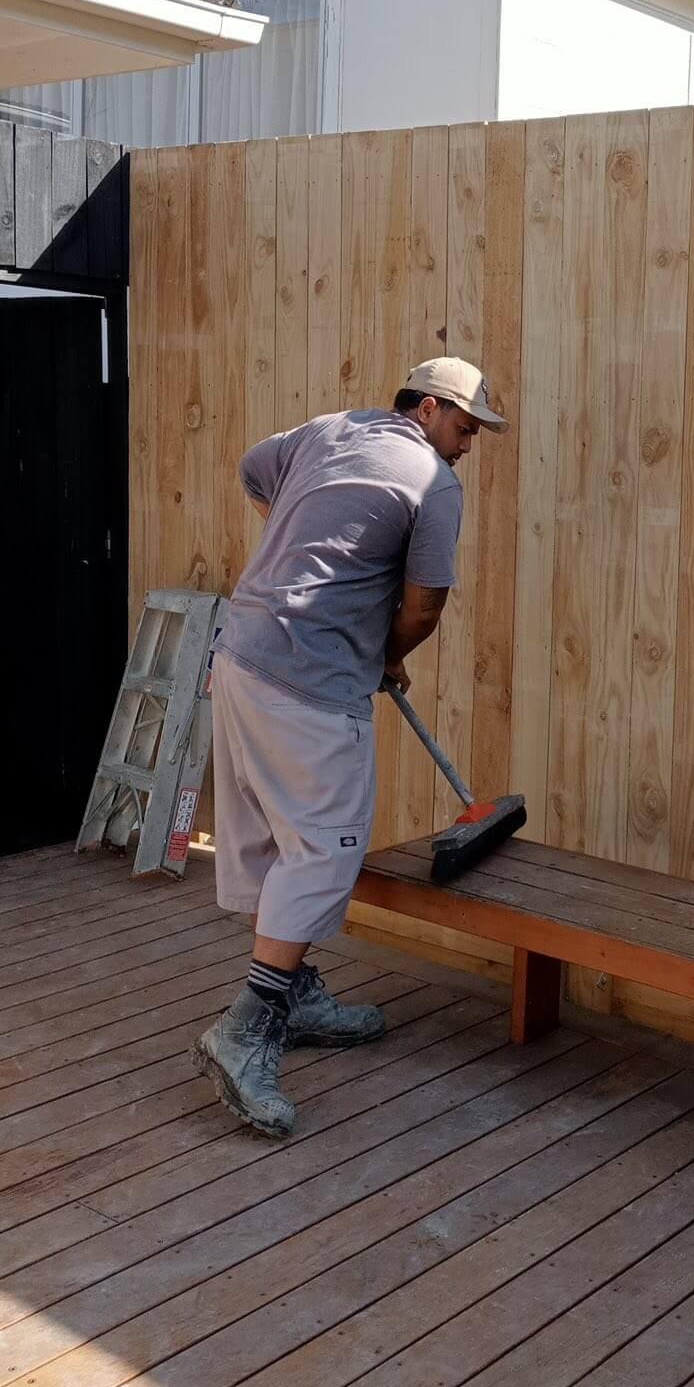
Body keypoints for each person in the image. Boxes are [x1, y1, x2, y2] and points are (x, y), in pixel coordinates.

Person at [193, 356, 508, 1136]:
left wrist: (306, 553)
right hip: (309, 678)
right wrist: (382, 645)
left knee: (272, 832)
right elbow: (425, 608)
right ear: (431, 410)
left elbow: (251, 467)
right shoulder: (434, 483)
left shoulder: (329, 430)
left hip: (240, 652)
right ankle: (250, 1027)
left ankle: (293, 993)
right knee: (326, 848)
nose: (467, 444)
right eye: (465, 427)